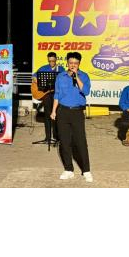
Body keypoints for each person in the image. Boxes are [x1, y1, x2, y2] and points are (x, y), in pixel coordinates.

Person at [50, 51, 93, 182]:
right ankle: (68, 169)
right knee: (64, 142)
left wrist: (76, 77)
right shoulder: (61, 76)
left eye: (75, 63)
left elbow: (86, 91)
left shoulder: (84, 76)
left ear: (79, 64)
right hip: (63, 111)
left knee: (80, 142)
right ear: (67, 63)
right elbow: (57, 94)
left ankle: (86, 170)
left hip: (77, 112)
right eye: (71, 63)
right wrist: (53, 111)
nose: (73, 65)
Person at [32, 51, 65, 145]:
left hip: (57, 95)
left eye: (53, 61)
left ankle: (56, 137)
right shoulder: (43, 68)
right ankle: (48, 137)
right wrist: (38, 81)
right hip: (46, 94)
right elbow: (34, 76)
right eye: (50, 61)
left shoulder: (61, 69)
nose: (51, 63)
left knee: (56, 115)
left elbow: (65, 80)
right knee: (47, 115)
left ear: (56, 60)